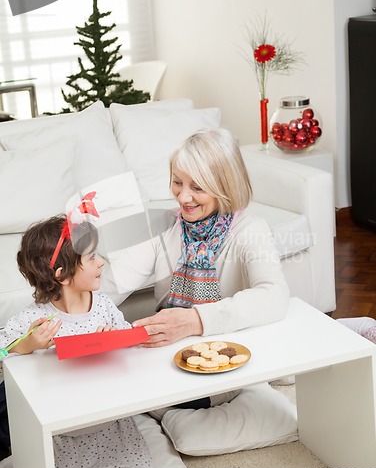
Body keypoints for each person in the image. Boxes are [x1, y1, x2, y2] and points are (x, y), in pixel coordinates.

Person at [103, 128, 292, 414]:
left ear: (225, 187)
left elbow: (274, 295)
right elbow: (113, 282)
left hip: (222, 351)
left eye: (198, 188)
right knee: (112, 384)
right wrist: (65, 307)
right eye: (177, 182)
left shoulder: (250, 230)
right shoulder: (166, 225)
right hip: (169, 348)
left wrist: (194, 320)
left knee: (154, 403)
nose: (183, 197)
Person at [0, 210, 155, 468]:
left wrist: (115, 342)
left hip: (113, 429)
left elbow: (132, 350)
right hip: (63, 436)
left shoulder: (104, 305)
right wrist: (28, 344)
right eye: (93, 257)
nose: (102, 263)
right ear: (62, 274)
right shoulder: (34, 319)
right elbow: (3, 352)